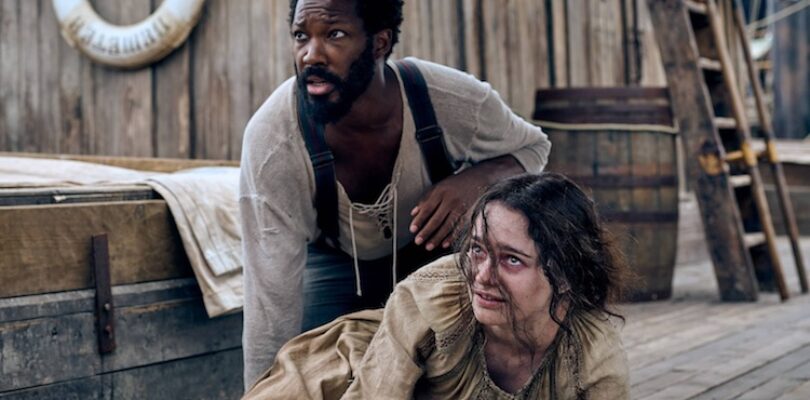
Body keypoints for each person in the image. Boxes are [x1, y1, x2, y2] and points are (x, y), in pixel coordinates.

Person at [239, 0, 551, 388]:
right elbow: (270, 303)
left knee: (456, 376)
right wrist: (266, 392)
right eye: (301, 36)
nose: (311, 54)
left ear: (379, 43)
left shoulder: (446, 99)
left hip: (432, 259)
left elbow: (534, 149)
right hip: (336, 263)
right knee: (312, 371)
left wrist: (476, 181)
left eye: (335, 35)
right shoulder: (274, 141)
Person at [243, 173, 630, 399]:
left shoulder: (590, 357)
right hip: (355, 369)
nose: (482, 277)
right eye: (477, 250)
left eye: (512, 259)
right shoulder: (430, 299)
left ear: (565, 275)